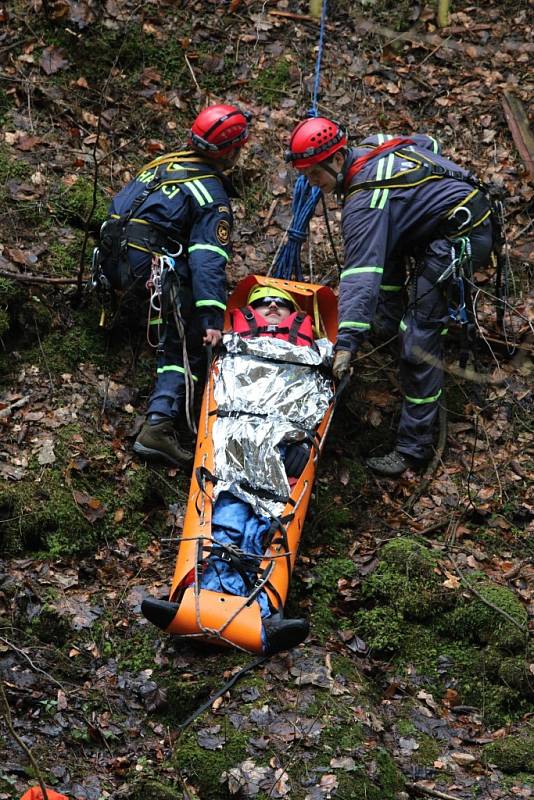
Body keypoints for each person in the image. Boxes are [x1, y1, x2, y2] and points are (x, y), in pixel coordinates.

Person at [285, 118, 495, 477]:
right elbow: (429, 141)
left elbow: (360, 276)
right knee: (391, 245)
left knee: (418, 341)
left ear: (336, 161)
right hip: (449, 215)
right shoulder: (373, 143)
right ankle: (384, 323)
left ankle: (413, 449)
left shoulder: (365, 201)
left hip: (461, 234)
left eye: (313, 174)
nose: (311, 184)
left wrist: (347, 343)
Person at [94, 104, 252, 467]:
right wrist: (212, 317)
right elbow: (207, 257)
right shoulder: (211, 192)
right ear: (230, 152)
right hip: (149, 265)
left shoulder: (161, 165)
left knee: (174, 306)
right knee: (188, 336)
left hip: (111, 261)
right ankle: (159, 426)